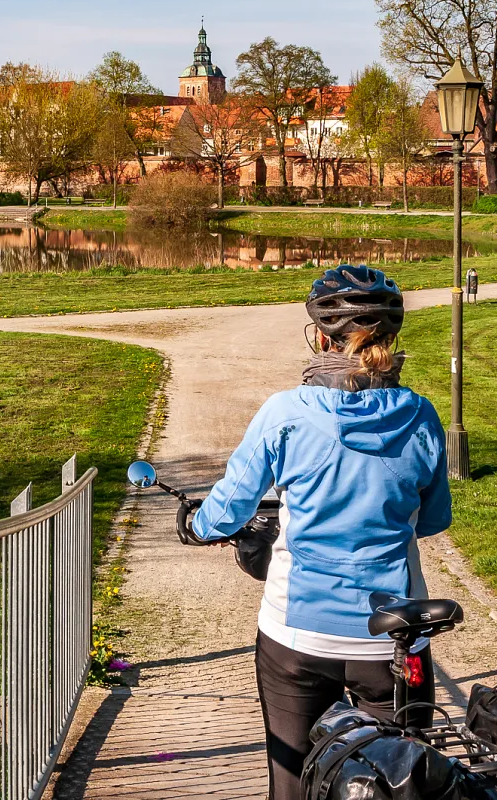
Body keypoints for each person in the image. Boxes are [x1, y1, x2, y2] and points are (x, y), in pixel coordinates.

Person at [189, 264, 452, 800]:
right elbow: (432, 520)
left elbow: (228, 507)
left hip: (299, 635)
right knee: (403, 778)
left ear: (320, 336)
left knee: (290, 777)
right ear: (390, 338)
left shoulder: (286, 412)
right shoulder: (421, 416)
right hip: (393, 636)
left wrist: (197, 525)